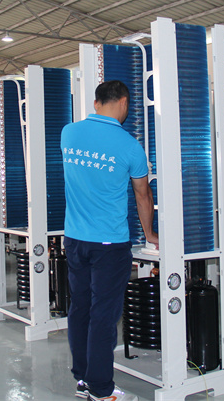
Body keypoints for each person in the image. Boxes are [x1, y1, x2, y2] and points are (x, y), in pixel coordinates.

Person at [61, 80, 158, 401]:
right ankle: (101, 389)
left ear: (96, 102)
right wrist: (150, 234)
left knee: (80, 309)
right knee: (103, 316)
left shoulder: (68, 133)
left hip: (75, 240)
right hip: (109, 245)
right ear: (124, 103)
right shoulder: (130, 147)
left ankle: (82, 378)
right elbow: (143, 195)